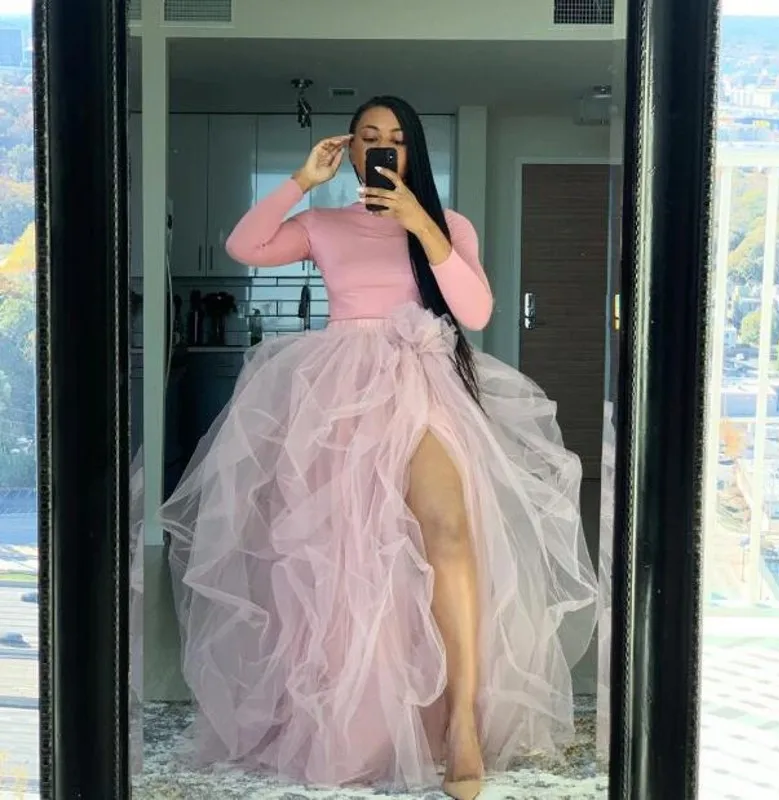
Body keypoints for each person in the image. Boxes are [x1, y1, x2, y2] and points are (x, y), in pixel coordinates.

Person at [160, 96, 597, 800]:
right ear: (352, 151)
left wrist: (420, 222)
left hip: (423, 385)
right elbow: (245, 246)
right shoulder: (322, 223)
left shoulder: (447, 225)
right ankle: (366, 720)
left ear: (412, 151)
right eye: (368, 137)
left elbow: (476, 311)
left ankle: (461, 721)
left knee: (448, 530)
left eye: (395, 137)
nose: (381, 146)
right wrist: (301, 180)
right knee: (353, 559)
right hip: (338, 397)